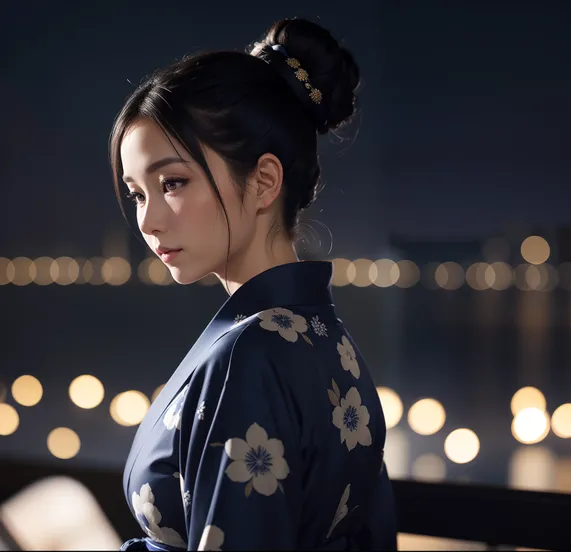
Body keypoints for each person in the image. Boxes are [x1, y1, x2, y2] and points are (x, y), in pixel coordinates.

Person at [109, 18, 396, 551]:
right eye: (137, 193)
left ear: (264, 181)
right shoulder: (327, 338)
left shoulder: (250, 356)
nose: (146, 223)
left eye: (173, 182)